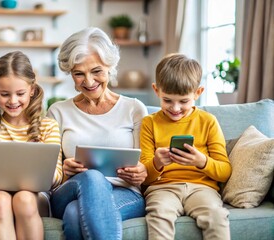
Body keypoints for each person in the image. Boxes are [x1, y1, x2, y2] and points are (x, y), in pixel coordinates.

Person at [47, 27, 148, 240]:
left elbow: (145, 163)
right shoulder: (57, 111)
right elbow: (49, 176)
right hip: (70, 190)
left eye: (96, 71)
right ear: (70, 74)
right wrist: (65, 170)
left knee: (74, 215)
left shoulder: (134, 109)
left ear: (110, 66)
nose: (89, 82)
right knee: (92, 177)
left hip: (124, 192)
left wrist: (141, 171)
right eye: (78, 74)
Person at [140, 53, 232, 239]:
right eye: (167, 100)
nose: (175, 108)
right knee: (159, 216)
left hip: (202, 188)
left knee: (217, 216)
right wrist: (157, 162)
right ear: (156, 90)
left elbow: (224, 171)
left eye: (183, 101)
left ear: (198, 93)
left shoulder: (208, 122)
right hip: (162, 189)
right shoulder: (149, 123)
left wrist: (202, 162)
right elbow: (144, 178)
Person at [0, 51, 63, 240]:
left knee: (23, 198)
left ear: (32, 89)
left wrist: (27, 180)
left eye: (20, 93)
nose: (13, 101)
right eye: (5, 94)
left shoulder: (48, 126)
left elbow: (56, 176)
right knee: (0, 199)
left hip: (36, 197)